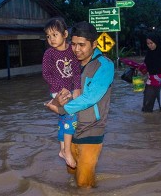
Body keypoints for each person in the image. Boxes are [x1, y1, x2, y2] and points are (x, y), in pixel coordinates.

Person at [45, 21, 114, 188]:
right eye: (74, 44)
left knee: (83, 184)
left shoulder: (104, 65)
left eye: (82, 45)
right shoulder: (70, 61)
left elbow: (91, 97)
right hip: (69, 130)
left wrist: (61, 108)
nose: (76, 49)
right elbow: (56, 89)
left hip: (91, 130)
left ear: (94, 44)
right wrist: (55, 101)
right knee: (72, 176)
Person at [42, 17, 81, 168]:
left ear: (65, 34)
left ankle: (61, 150)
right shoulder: (49, 54)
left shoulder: (72, 50)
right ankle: (67, 152)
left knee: (63, 120)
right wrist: (60, 88)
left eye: (54, 35)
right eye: (48, 36)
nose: (51, 39)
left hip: (72, 90)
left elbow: (77, 71)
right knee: (71, 116)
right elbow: (46, 74)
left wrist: (77, 87)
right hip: (57, 92)